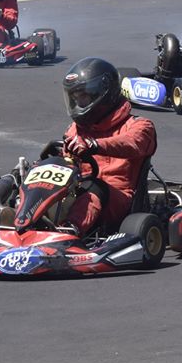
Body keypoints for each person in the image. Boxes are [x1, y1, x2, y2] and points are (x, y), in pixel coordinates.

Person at [59, 58, 158, 235]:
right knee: (24, 179)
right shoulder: (75, 129)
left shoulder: (140, 126)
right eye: (75, 98)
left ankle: (69, 231)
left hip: (118, 200)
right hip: (80, 190)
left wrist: (95, 145)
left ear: (101, 93)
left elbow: (131, 143)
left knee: (95, 187)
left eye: (83, 96)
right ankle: (16, 221)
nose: (78, 103)